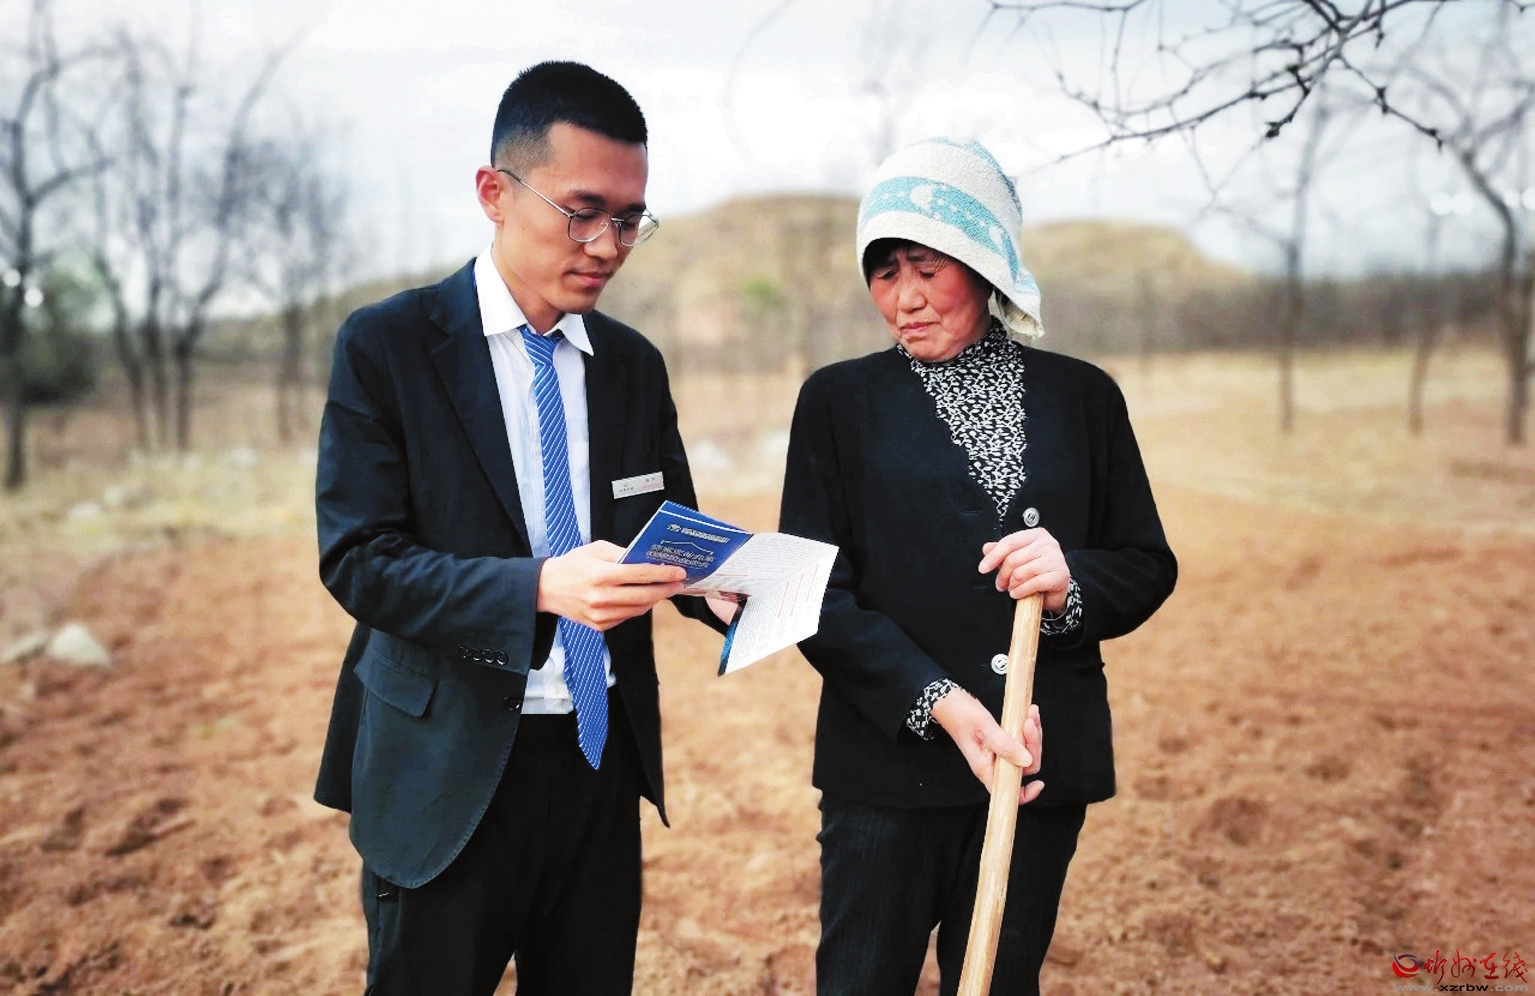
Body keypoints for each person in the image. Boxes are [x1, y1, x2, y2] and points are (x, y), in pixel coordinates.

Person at [311, 61, 726, 995]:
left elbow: (665, 527)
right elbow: (360, 562)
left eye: (630, 219)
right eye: (582, 212)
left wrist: (720, 585)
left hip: (597, 759)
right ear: (494, 193)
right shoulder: (387, 346)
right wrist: (539, 587)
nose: (608, 245)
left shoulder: (632, 365)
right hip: (444, 769)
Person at [779, 138, 1178, 995]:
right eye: (884, 273)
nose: (905, 298)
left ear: (985, 260)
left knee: (998, 980)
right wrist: (940, 702)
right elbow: (815, 596)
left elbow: (1145, 563)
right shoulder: (837, 403)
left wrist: (1069, 583)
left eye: (928, 268)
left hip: (1035, 770)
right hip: (887, 772)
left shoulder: (1083, 397)